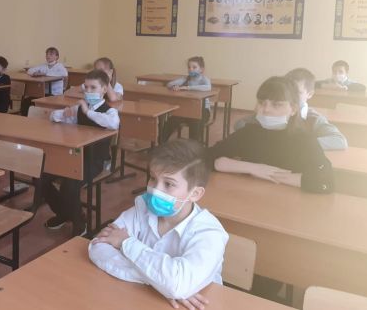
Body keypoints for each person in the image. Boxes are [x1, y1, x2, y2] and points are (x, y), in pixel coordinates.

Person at [89, 139, 228, 309]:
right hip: (139, 300)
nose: (155, 189)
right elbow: (98, 247)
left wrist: (126, 243)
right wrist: (161, 284)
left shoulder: (210, 232)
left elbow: (178, 285)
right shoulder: (142, 208)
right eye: (153, 178)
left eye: (168, 184)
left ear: (195, 193)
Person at [43, 69, 119, 235]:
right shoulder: (80, 108)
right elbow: (53, 116)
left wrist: (87, 112)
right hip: (74, 156)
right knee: (41, 177)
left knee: (69, 184)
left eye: (93, 87)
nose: (89, 91)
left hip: (95, 161)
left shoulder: (109, 111)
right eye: (86, 87)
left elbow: (113, 123)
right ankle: (63, 213)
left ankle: (79, 222)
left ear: (104, 89)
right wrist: (64, 113)